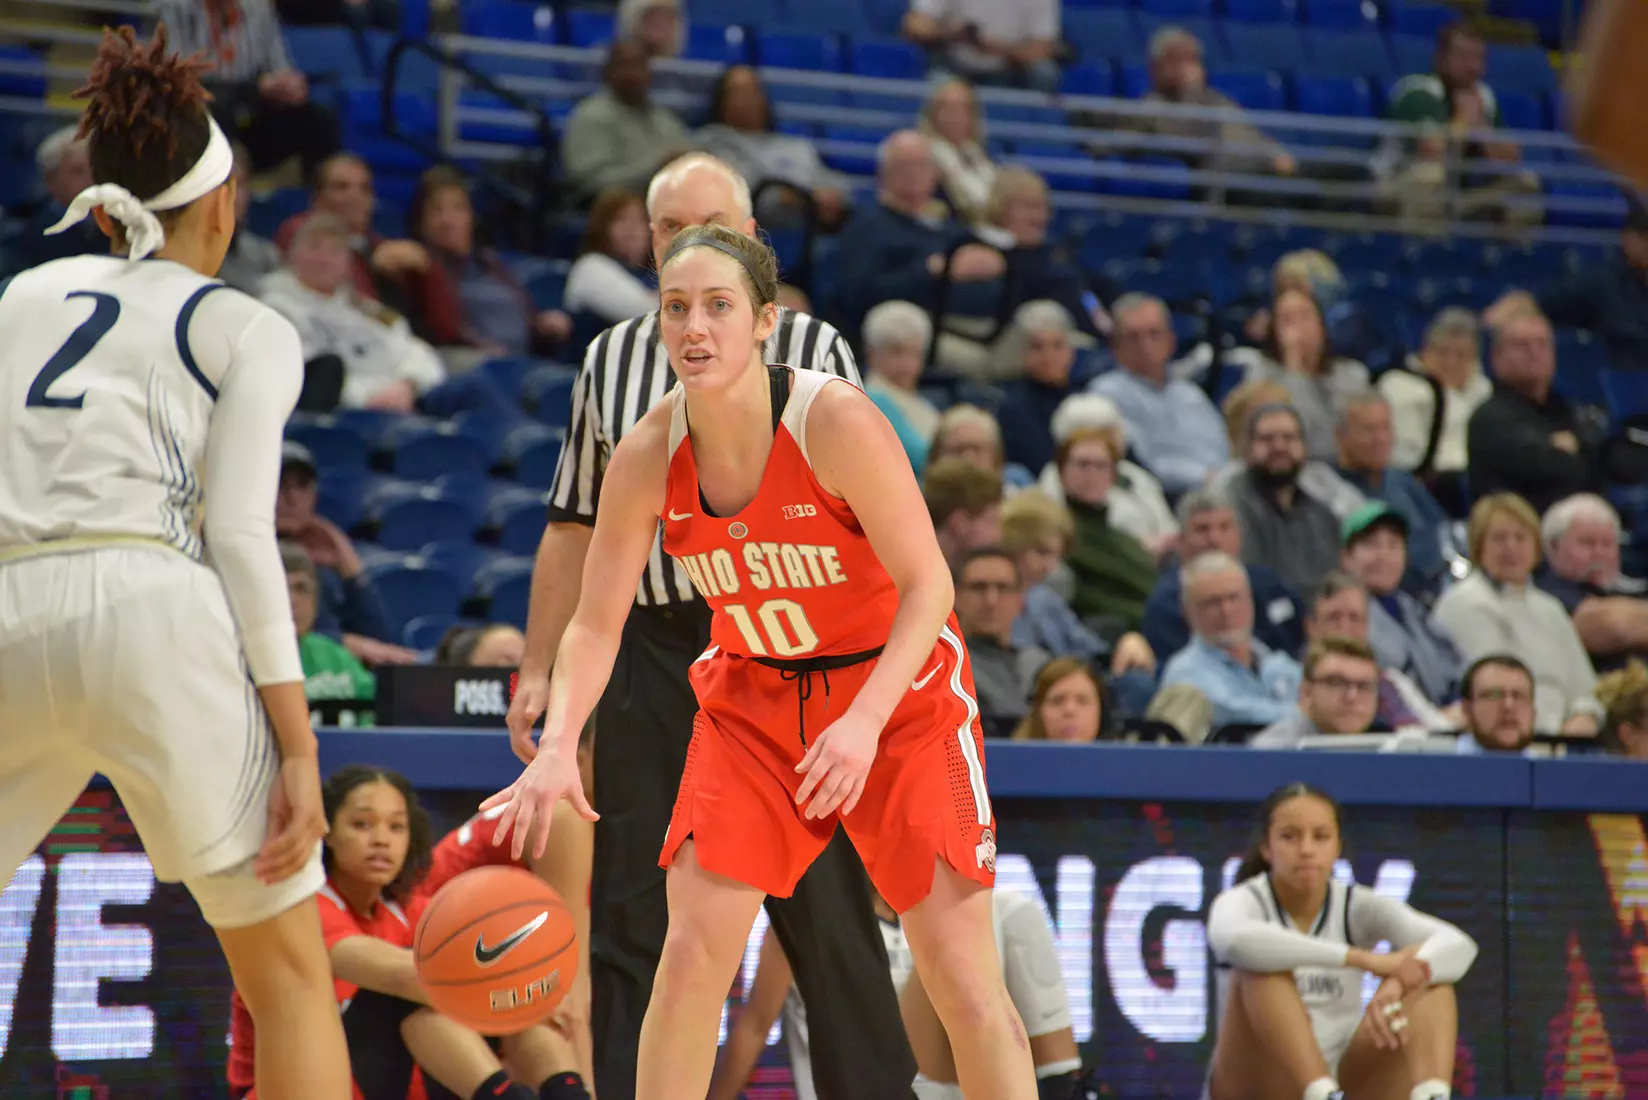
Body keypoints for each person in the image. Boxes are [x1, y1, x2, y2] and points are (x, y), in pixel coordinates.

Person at [484, 222, 1037, 1099]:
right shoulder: (648, 451)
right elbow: (595, 624)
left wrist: (864, 723)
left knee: (961, 979)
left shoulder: (833, 420)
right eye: (675, 309)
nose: (695, 327)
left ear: (765, 321)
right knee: (690, 958)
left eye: (718, 306)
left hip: (896, 693)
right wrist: (557, 745)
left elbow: (930, 586)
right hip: (754, 697)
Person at [503, 152, 911, 1100]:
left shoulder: (815, 350)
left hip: (793, 648)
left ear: (754, 240)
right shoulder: (610, 360)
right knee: (636, 917)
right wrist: (540, 667)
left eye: (713, 224)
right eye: (669, 229)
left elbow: (882, 541)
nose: (689, 240)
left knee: (829, 913)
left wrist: (866, 701)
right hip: (650, 650)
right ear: (647, 246)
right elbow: (570, 524)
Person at [0, 27, 348, 1100]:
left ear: (105, 210)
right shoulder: (246, 325)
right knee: (289, 978)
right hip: (154, 604)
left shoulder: (19, 299)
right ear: (226, 201)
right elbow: (241, 534)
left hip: (9, 602)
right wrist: (299, 748)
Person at [227, 767, 588, 1100]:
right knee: (429, 988)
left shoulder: (409, 909)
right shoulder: (303, 907)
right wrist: (525, 990)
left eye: (396, 827)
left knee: (505, 992)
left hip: (377, 1085)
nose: (381, 840)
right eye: (362, 824)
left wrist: (534, 989)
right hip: (285, 1090)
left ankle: (569, 1094)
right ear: (328, 833)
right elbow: (400, 976)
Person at [1206, 783, 1478, 1100]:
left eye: (1320, 837)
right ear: (1266, 847)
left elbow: (1459, 944)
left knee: (1431, 980)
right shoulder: (1243, 900)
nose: (1306, 849)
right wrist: (1360, 958)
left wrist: (1397, 983)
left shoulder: (1357, 904)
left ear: (1337, 847)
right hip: (1255, 1084)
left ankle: (1432, 1094)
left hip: (1344, 1076)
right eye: (1290, 837)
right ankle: (1320, 1092)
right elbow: (1233, 940)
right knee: (1262, 966)